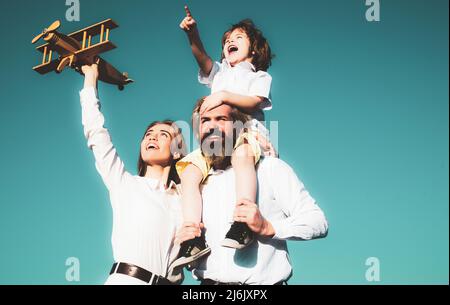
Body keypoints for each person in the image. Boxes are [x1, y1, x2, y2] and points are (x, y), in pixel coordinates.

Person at [172, 98, 328, 285]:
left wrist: (268, 228)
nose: (212, 126)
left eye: (221, 119)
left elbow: (317, 221)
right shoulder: (193, 186)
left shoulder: (269, 169)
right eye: (205, 120)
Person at [173, 5, 277, 270]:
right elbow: (201, 58)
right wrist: (192, 34)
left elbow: (254, 101)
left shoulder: (259, 76)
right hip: (214, 143)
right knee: (188, 173)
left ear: (253, 49)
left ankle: (242, 222)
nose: (230, 41)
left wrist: (222, 96)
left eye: (238, 38)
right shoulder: (219, 73)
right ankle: (193, 236)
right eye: (227, 40)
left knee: (242, 156)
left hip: (246, 134)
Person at [79, 63, 187, 285]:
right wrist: (91, 78)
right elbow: (96, 133)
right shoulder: (124, 183)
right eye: (148, 134)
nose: (152, 138)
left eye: (163, 134)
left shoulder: (186, 198)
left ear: (178, 151)